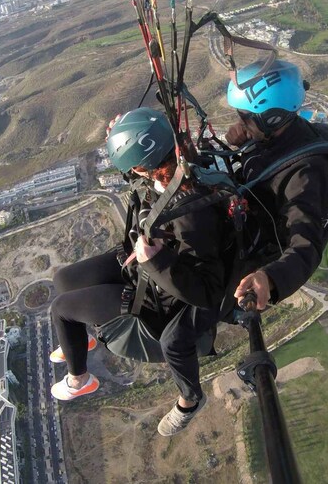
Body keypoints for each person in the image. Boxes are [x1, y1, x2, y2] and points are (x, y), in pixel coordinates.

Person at [48, 106, 232, 436]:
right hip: (143, 265)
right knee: (63, 280)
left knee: (61, 311)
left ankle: (79, 379)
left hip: (156, 300)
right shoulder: (167, 168)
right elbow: (139, 179)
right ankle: (79, 341)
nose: (134, 172)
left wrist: (154, 262)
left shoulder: (190, 212)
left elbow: (206, 290)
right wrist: (122, 137)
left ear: (146, 163)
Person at [224, 59, 328, 311]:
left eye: (245, 116)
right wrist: (246, 141)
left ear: (271, 119)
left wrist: (270, 278)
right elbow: (268, 160)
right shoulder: (286, 132)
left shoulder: (303, 176)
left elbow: (306, 244)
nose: (240, 121)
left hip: (265, 240)